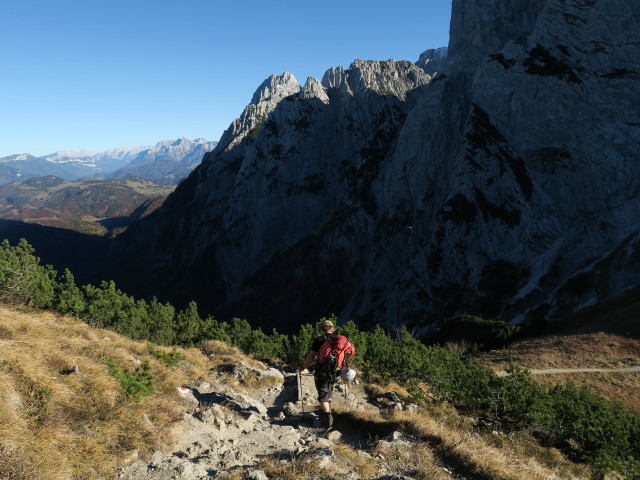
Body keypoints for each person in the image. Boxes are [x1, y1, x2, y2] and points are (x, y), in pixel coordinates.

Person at [298, 319, 338, 428]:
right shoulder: (337, 340)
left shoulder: (319, 340)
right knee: (328, 391)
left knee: (322, 396)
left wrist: (302, 367)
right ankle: (327, 411)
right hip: (334, 371)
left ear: (322, 329)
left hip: (322, 371)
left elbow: (310, 357)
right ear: (332, 329)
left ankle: (328, 417)